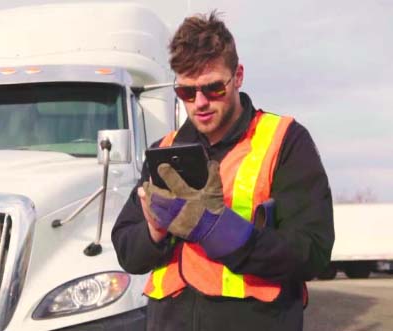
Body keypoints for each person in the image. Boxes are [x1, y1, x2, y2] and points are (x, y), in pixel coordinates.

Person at [111, 11, 334, 331]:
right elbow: (127, 252)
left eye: (213, 88)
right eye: (187, 92)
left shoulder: (285, 140)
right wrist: (155, 234)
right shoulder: (164, 150)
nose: (199, 102)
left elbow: (312, 252)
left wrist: (219, 229)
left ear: (238, 75)